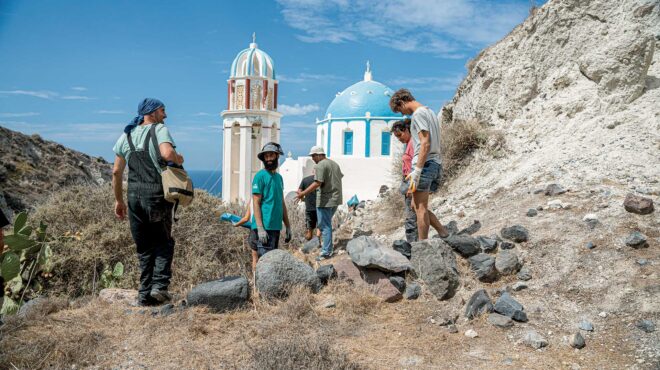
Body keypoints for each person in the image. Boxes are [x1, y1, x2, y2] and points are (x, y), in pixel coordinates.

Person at [112, 98, 183, 306]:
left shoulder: (126, 135)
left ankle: (144, 296)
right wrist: (179, 158)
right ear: (151, 113)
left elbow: (116, 171)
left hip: (133, 198)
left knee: (143, 247)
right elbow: (167, 154)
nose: (166, 115)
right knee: (163, 242)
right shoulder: (159, 129)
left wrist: (118, 200)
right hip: (156, 195)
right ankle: (159, 287)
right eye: (163, 110)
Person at [390, 89, 449, 240]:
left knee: (420, 208)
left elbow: (424, 143)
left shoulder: (418, 114)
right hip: (435, 162)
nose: (403, 114)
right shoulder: (430, 113)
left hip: (425, 164)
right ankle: (442, 233)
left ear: (402, 102)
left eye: (399, 109)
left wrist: (417, 170)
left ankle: (423, 246)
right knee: (418, 206)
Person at [296, 146, 343, 261]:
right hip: (336, 199)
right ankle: (327, 247)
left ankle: (326, 252)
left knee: (324, 226)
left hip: (325, 201)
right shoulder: (334, 164)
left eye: (313, 156)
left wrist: (303, 194)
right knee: (326, 224)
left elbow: (317, 182)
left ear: (318, 155)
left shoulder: (320, 165)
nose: (312, 159)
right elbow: (340, 176)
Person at [250, 142, 292, 261]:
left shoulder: (279, 178)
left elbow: (281, 203)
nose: (268, 159)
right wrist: (260, 228)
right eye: (266, 156)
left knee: (271, 263)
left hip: (275, 226)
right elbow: (256, 203)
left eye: (271, 155)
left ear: (277, 156)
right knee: (265, 262)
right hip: (264, 227)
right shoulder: (260, 176)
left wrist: (288, 226)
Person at [391, 119, 418, 242]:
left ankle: (413, 245)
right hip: (408, 183)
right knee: (416, 212)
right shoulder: (408, 144)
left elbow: (415, 167)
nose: (399, 139)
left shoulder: (413, 144)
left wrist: (411, 188)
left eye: (399, 135)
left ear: (407, 130)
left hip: (411, 184)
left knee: (411, 217)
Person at [298, 173, 319, 241]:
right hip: (320, 207)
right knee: (320, 227)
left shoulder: (305, 180)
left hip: (309, 207)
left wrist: (302, 198)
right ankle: (318, 244)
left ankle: (309, 244)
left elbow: (299, 191)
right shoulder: (320, 179)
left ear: (312, 171)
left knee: (310, 229)